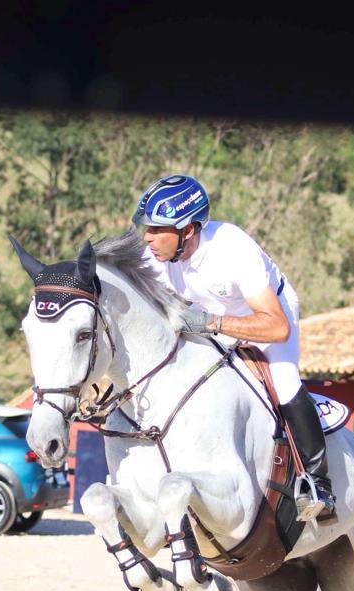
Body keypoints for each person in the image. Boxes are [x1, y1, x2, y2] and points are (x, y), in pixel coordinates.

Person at [133, 174, 338, 522]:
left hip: (269, 316)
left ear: (187, 230)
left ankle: (319, 487)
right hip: (212, 317)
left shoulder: (231, 249)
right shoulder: (155, 257)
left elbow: (277, 326)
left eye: (156, 229)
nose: (147, 237)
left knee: (285, 381)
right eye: (147, 229)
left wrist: (212, 324)